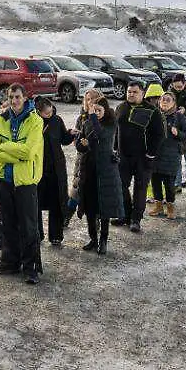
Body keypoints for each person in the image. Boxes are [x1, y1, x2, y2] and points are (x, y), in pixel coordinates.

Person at [0, 84, 44, 283]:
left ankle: (31, 268)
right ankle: (10, 262)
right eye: (11, 97)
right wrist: (16, 154)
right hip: (3, 180)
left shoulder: (35, 121)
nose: (14, 101)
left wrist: (6, 147)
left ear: (25, 98)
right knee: (7, 223)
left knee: (28, 226)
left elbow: (29, 152)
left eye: (17, 97)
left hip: (25, 181)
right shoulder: (0, 119)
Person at [74, 97, 125, 254]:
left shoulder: (111, 123)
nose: (96, 113)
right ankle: (93, 239)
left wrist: (93, 117)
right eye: (93, 110)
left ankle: (103, 240)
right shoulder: (88, 121)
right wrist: (81, 144)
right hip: (89, 168)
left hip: (106, 170)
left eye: (99, 110)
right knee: (90, 206)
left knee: (105, 208)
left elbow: (102, 136)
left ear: (105, 110)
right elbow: (79, 144)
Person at [114, 82, 163, 232]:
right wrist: (115, 148)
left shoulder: (152, 111)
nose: (131, 94)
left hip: (143, 157)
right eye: (129, 92)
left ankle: (136, 219)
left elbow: (159, 135)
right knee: (121, 186)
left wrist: (151, 154)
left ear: (142, 93)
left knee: (140, 189)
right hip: (123, 156)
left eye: (135, 92)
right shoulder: (121, 107)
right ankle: (125, 215)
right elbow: (116, 130)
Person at [34, 97, 73, 247]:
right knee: (36, 202)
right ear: (39, 112)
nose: (49, 114)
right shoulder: (33, 122)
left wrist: (70, 133)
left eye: (50, 112)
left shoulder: (57, 120)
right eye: (46, 113)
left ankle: (56, 235)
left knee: (57, 202)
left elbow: (63, 139)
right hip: (39, 168)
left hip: (56, 168)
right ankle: (37, 233)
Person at [67, 89, 105, 220]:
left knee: (95, 191)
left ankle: (96, 221)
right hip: (82, 159)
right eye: (87, 99)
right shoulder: (81, 118)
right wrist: (80, 142)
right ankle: (67, 215)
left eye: (93, 99)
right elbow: (76, 140)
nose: (90, 102)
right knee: (76, 187)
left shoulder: (104, 117)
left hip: (97, 160)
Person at [150, 93, 186, 219]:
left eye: (168, 100)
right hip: (156, 153)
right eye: (162, 100)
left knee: (169, 183)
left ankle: (170, 208)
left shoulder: (179, 117)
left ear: (173, 103)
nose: (164, 102)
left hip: (171, 154)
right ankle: (158, 206)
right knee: (155, 181)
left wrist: (178, 133)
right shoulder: (155, 114)